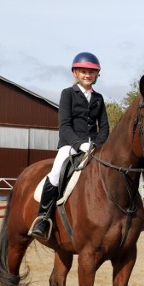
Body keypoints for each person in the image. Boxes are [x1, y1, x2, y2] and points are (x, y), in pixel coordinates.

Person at [30, 52, 109, 239]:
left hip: (94, 146)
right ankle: (43, 218)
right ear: (75, 73)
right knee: (57, 173)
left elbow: (104, 126)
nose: (87, 75)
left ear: (97, 74)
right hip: (71, 144)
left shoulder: (99, 98)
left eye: (91, 72)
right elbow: (64, 125)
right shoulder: (68, 94)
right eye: (83, 72)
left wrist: (98, 144)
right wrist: (79, 144)